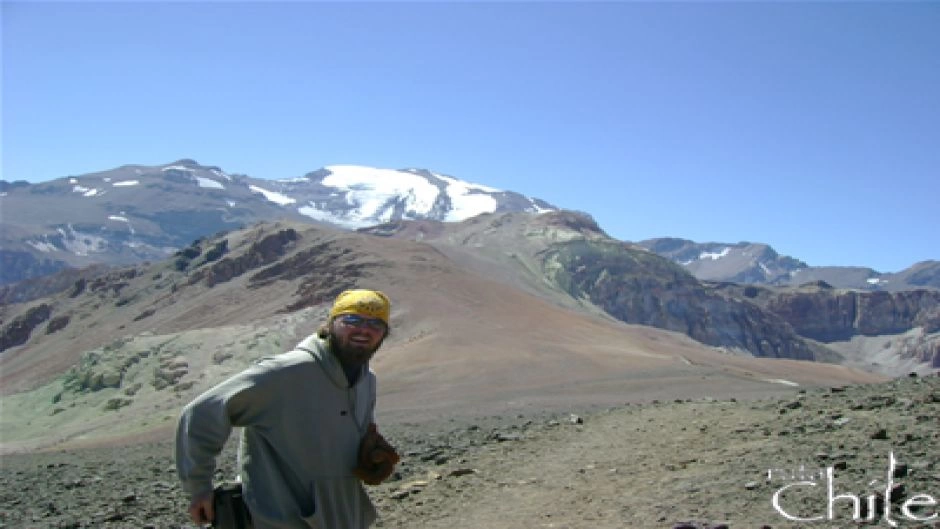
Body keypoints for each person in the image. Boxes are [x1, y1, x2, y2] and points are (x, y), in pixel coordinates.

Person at [175, 289, 400, 529]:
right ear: (332, 324)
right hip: (280, 517)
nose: (364, 330)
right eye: (352, 320)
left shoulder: (367, 380)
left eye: (375, 324)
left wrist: (368, 454)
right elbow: (200, 414)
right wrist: (199, 488)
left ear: (384, 334)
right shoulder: (286, 372)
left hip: (343, 515)